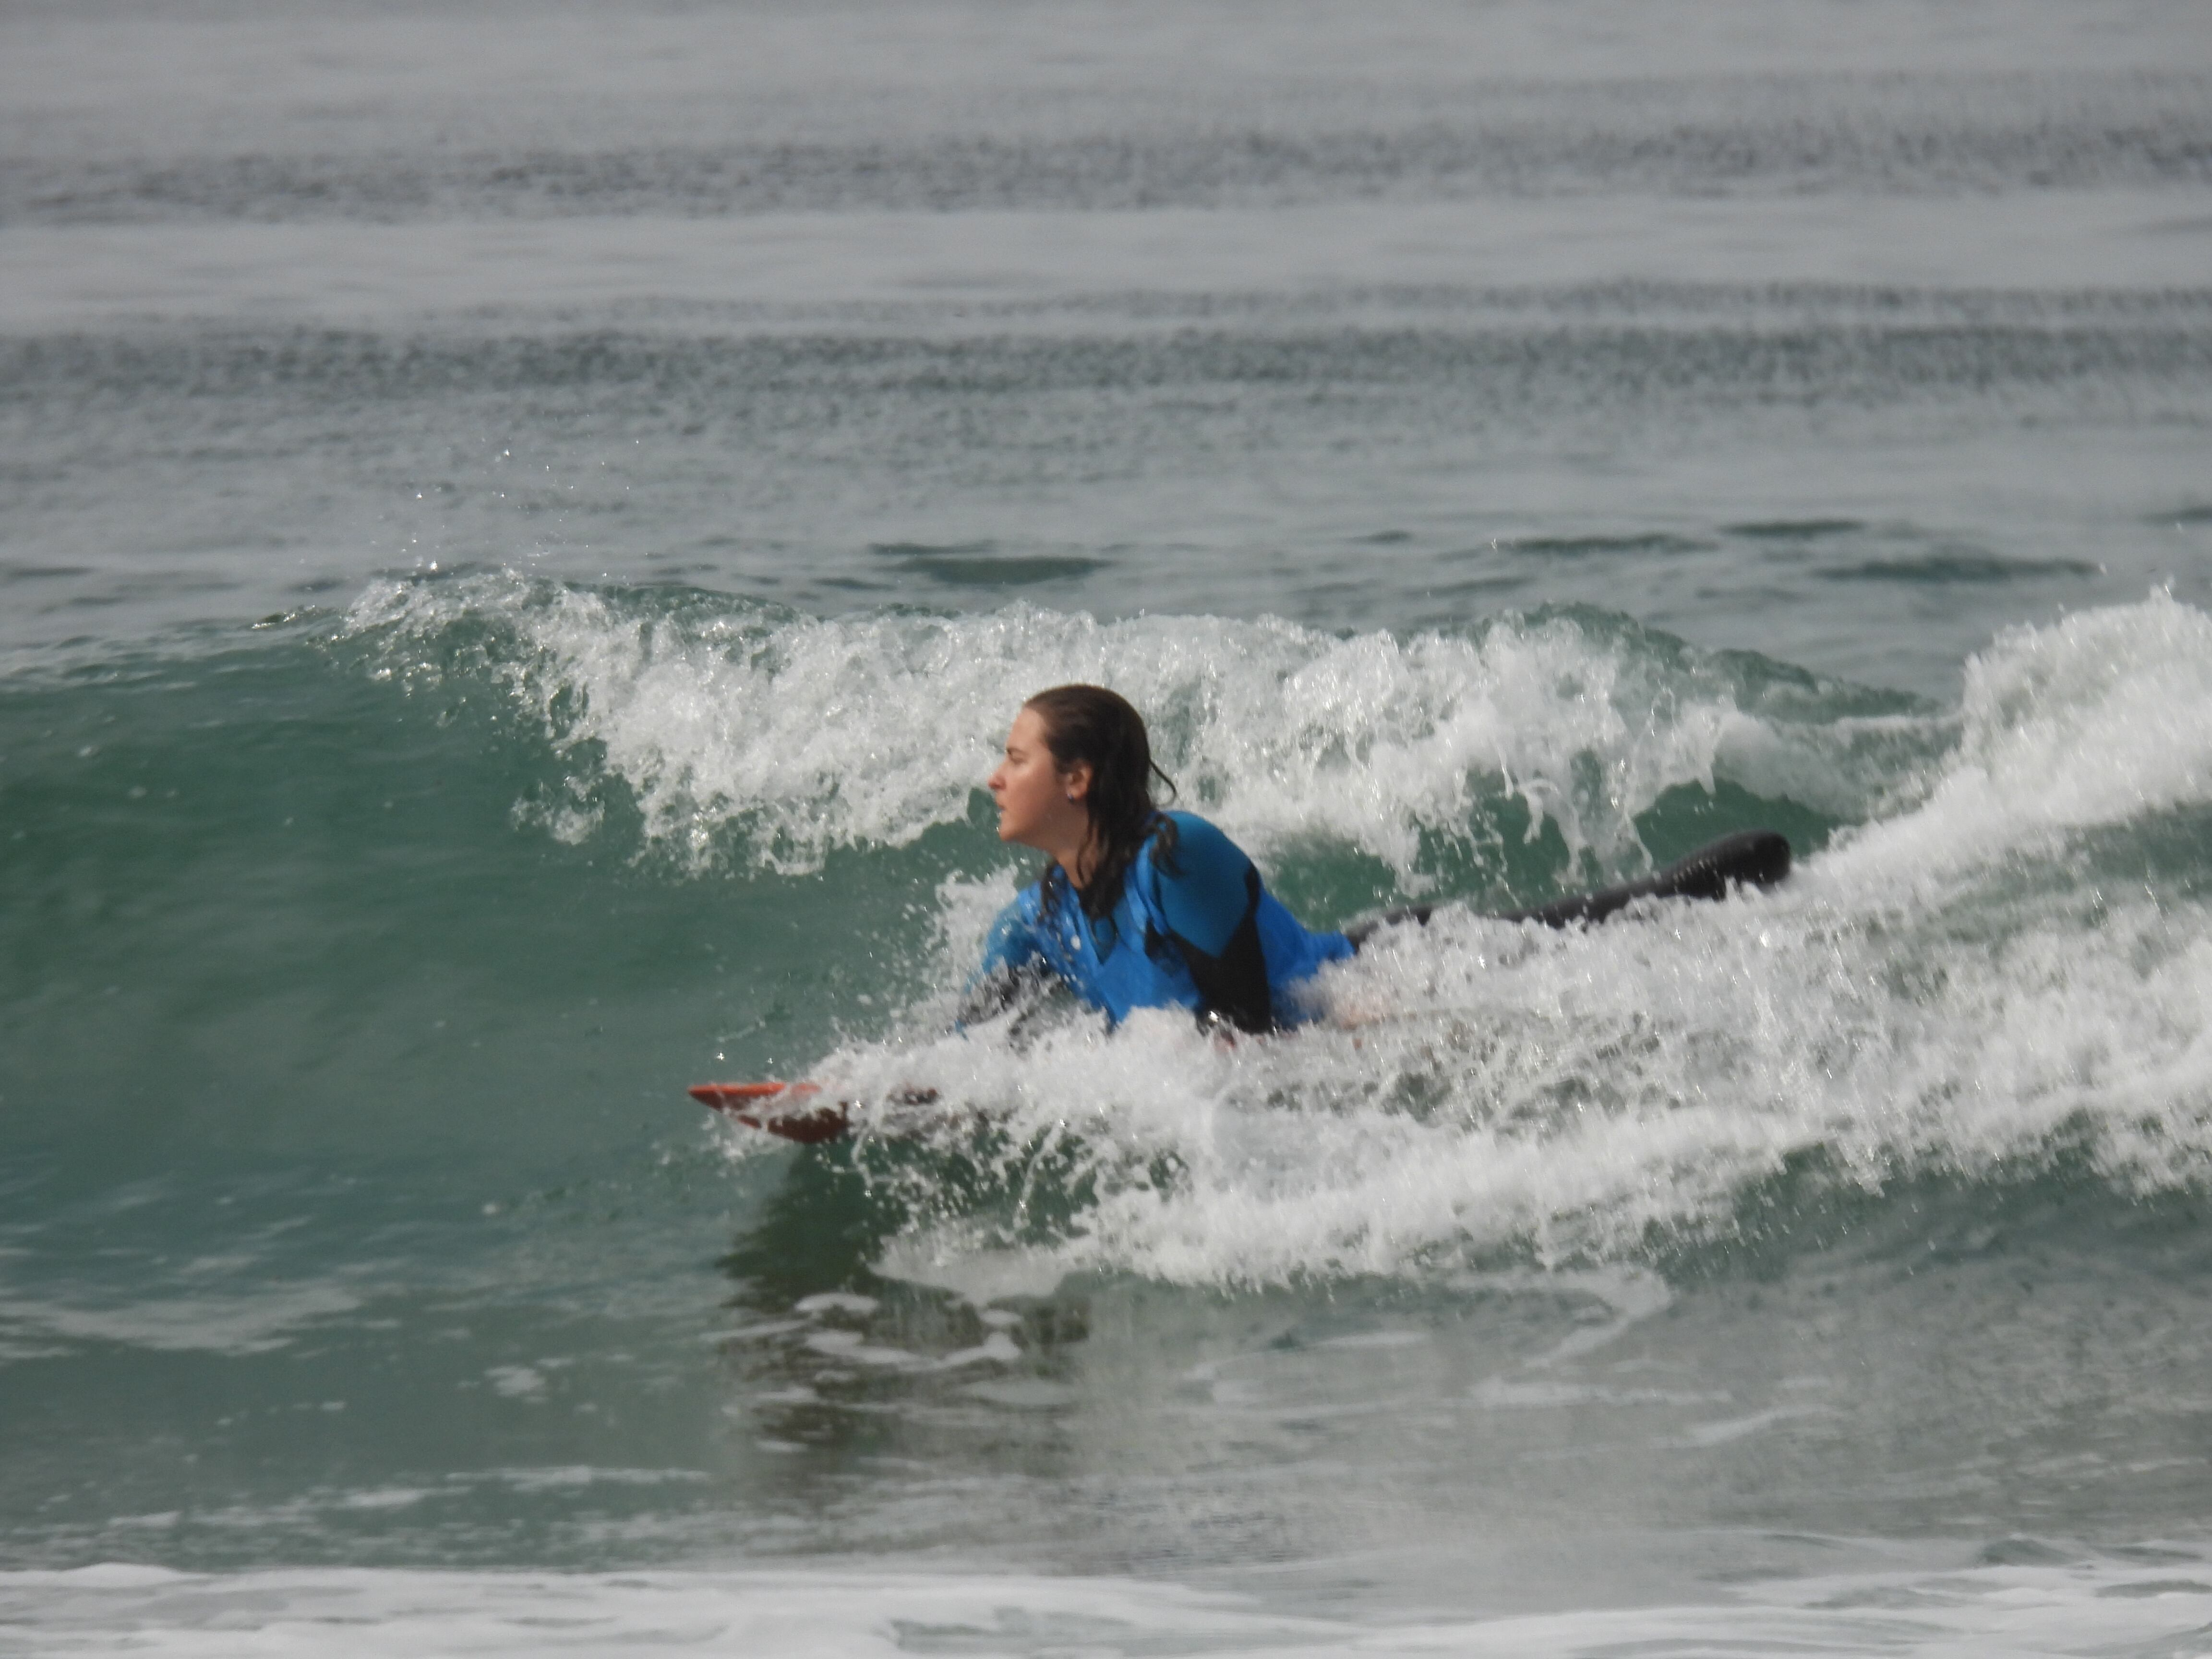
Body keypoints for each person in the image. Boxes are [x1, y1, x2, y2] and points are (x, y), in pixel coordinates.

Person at [964, 685, 1355, 1034]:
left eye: (1016, 760)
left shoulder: (1174, 855)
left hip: (1370, 977)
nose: (995, 779)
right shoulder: (1038, 919)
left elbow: (1247, 1028)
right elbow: (965, 1047)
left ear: (1077, 780)